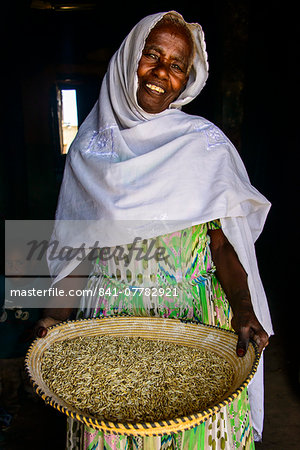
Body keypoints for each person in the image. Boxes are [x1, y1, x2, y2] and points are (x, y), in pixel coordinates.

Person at [35, 10, 273, 449]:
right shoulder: (89, 152)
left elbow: (223, 247)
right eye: (152, 55)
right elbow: (78, 251)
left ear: (189, 78)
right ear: (129, 59)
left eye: (177, 65)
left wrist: (243, 308)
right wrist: (53, 317)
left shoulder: (204, 146)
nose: (162, 72)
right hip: (108, 338)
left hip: (194, 335)